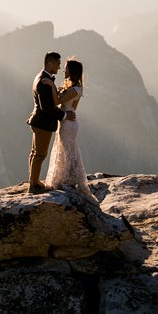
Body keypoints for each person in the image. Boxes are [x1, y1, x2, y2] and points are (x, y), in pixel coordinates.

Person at [45, 58, 98, 203]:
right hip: (68, 121)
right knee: (67, 150)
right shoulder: (75, 88)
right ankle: (68, 177)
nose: (64, 70)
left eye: (66, 68)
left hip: (68, 124)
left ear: (72, 71)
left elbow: (57, 101)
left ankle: (67, 179)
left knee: (68, 151)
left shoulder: (75, 89)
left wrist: (51, 86)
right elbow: (67, 104)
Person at [26, 52, 75, 193]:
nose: (59, 68)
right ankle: (33, 185)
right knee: (40, 154)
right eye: (58, 64)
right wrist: (64, 115)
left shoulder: (41, 77)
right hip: (43, 123)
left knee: (35, 153)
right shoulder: (44, 81)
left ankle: (33, 181)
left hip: (38, 121)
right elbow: (46, 108)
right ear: (50, 64)